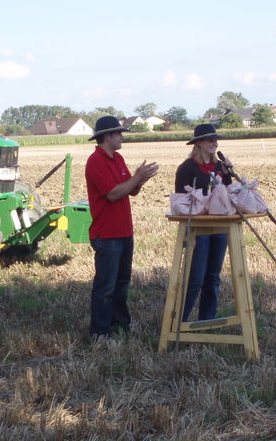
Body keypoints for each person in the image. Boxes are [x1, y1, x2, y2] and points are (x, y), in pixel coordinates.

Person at [85, 116, 159, 338]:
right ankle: (100, 333)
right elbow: (113, 194)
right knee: (105, 287)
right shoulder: (95, 161)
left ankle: (120, 325)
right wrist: (136, 177)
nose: (121, 137)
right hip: (107, 234)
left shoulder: (118, 158)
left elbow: (130, 190)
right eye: (118, 133)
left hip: (124, 232)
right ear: (106, 136)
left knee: (122, 284)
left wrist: (140, 179)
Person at [174, 123, 232, 322]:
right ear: (198, 143)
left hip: (220, 227)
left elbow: (227, 195)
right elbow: (181, 201)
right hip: (199, 229)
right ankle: (179, 321)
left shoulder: (219, 166)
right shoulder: (187, 168)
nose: (214, 143)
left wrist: (227, 175)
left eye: (216, 139)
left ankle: (206, 321)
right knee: (196, 279)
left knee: (213, 278)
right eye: (210, 140)